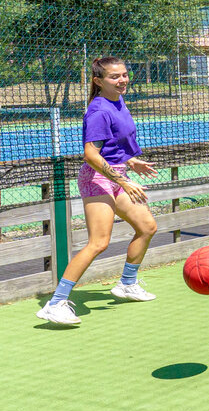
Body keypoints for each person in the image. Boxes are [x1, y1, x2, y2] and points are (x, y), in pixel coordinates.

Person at [36, 57, 160, 325]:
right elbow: (91, 155)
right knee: (99, 243)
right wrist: (124, 181)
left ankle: (127, 283)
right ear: (98, 81)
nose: (122, 80)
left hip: (117, 175)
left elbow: (112, 147)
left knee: (147, 226)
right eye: (114, 77)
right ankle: (55, 304)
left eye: (125, 74)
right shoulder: (99, 111)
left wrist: (131, 162)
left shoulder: (118, 101)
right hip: (97, 179)